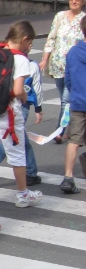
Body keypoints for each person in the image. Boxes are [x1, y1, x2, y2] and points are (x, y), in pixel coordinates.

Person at [0, 21, 43, 208]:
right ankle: (23, 195)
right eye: (30, 43)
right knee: (17, 155)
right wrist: (25, 96)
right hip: (9, 112)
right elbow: (18, 90)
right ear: (24, 39)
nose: (29, 47)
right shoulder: (21, 59)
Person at [40, 0, 86, 142]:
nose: (74, 1)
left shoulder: (84, 19)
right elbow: (51, 39)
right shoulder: (60, 16)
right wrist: (45, 59)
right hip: (57, 66)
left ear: (83, 2)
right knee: (64, 100)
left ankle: (59, 131)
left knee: (66, 100)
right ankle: (72, 126)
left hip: (74, 67)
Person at [0, 54, 43, 187]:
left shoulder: (1, 60)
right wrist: (38, 107)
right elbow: (32, 88)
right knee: (10, 143)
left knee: (21, 140)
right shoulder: (29, 63)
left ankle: (31, 171)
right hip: (18, 106)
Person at [60, 15, 86, 194]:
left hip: (78, 101)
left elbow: (67, 79)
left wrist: (75, 92)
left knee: (74, 141)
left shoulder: (73, 52)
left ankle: (68, 177)